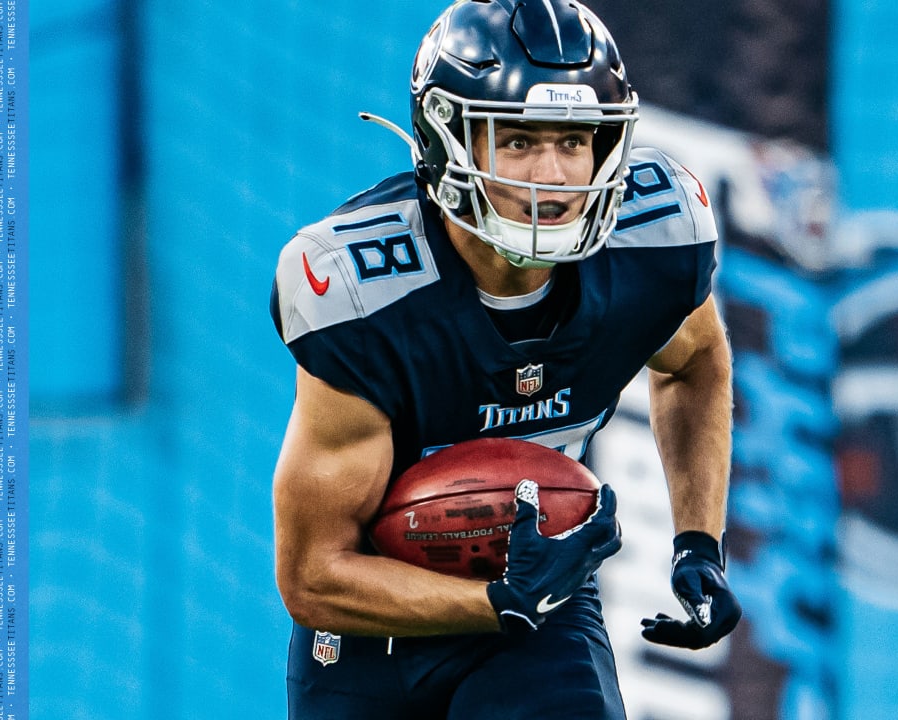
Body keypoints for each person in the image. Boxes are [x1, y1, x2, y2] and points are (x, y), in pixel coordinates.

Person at [269, 0, 741, 717]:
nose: (553, 176)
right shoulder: (364, 292)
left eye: (575, 140)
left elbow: (696, 361)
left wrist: (697, 540)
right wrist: (497, 600)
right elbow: (312, 575)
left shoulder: (655, 245)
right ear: (446, 141)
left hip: (540, 611)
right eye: (518, 141)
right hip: (368, 632)